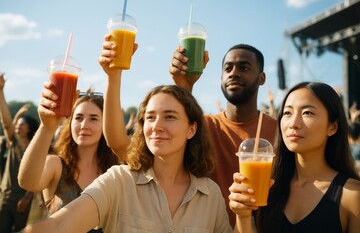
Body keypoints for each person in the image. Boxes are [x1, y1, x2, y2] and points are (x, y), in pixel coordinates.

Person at [22, 83, 235, 232]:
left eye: (169, 116)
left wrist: (244, 216)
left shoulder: (211, 195)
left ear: (191, 129)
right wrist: (47, 127)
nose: (156, 126)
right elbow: (58, 225)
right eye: (149, 118)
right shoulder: (119, 180)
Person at [229, 82, 360, 233]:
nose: (293, 123)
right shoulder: (267, 186)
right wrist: (243, 216)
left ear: (332, 127)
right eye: (287, 113)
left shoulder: (353, 195)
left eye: (307, 113)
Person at [169, 44, 277, 226]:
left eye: (244, 67)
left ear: (261, 78)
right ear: (221, 78)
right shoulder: (203, 126)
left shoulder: (279, 131)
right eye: (228, 68)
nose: (234, 73)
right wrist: (184, 85)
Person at [18, 87, 120, 232]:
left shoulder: (115, 171)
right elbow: (27, 182)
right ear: (70, 123)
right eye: (78, 118)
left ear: (105, 125)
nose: (84, 125)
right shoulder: (56, 164)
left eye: (93, 118)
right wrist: (46, 127)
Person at [0, 73, 39, 232]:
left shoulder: (35, 148)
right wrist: (1, 91)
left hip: (23, 200)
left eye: (22, 124)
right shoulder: (13, 143)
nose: (18, 126)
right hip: (5, 198)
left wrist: (27, 197)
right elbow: (7, 122)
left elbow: (37, 173)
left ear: (29, 127)